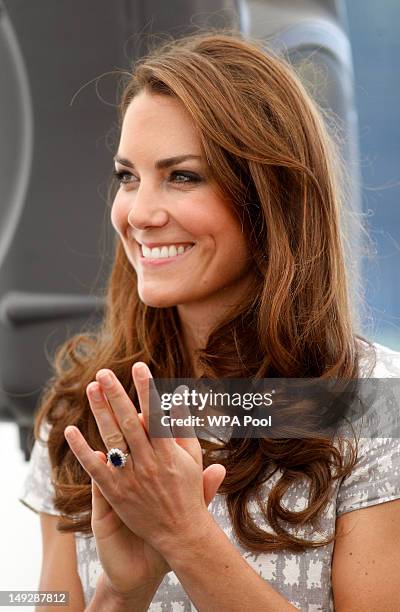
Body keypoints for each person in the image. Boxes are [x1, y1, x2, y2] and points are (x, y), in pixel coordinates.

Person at [19, 29, 400, 611]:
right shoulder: (85, 406)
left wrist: (187, 541)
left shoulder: (371, 401)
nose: (140, 213)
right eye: (128, 176)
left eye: (183, 176)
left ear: (271, 196)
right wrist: (124, 592)